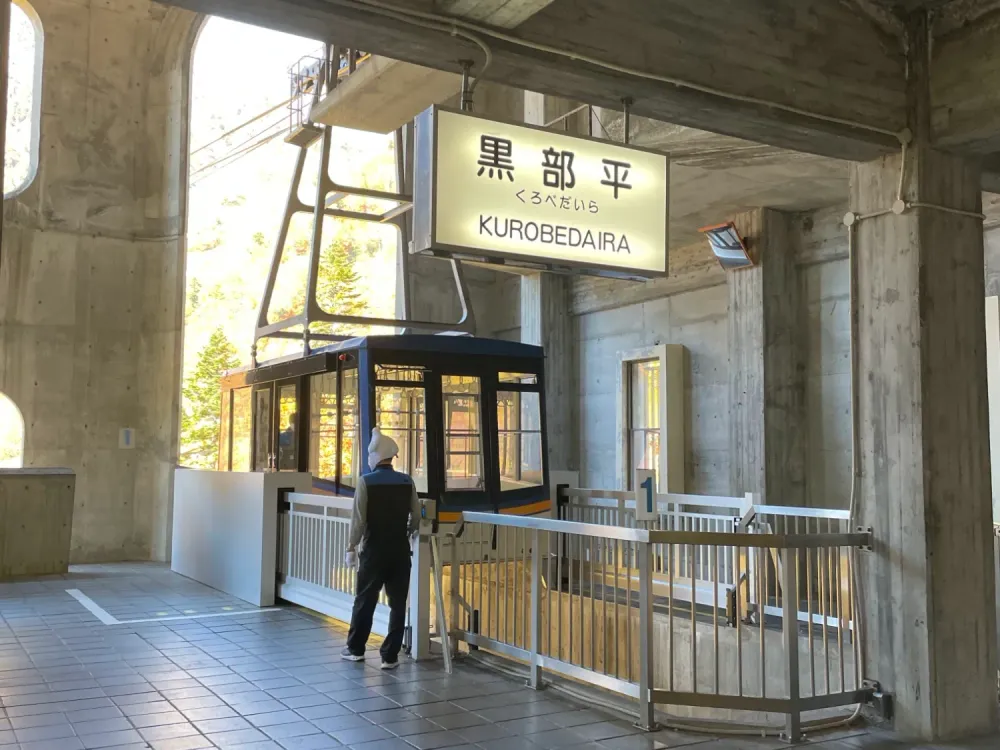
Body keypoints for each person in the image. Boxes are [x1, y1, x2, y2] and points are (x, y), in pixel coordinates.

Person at [341, 428, 421, 669]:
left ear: (376, 455)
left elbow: (358, 520)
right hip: (399, 551)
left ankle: (356, 648)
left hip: (373, 551)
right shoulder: (407, 481)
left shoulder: (366, 482)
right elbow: (416, 515)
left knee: (365, 599)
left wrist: (351, 546)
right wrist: (408, 531)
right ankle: (390, 656)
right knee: (398, 604)